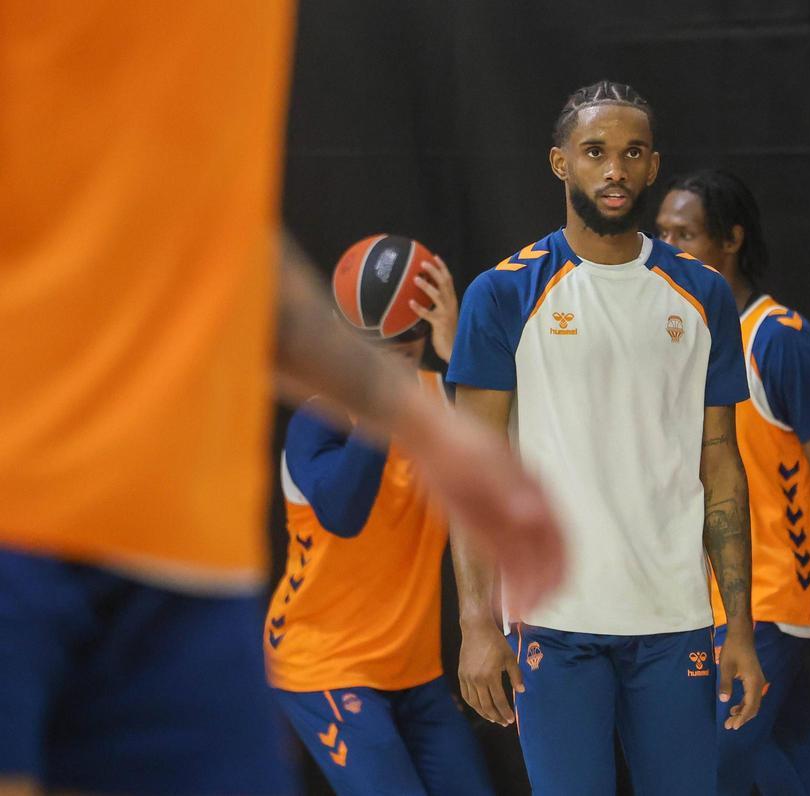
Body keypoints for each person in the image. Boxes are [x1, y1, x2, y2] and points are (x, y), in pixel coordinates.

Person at [0, 5, 560, 795]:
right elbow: (342, 507)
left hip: (184, 556)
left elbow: (205, 230)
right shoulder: (315, 433)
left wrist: (429, 424)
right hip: (28, 527)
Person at [446, 80, 766, 795]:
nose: (614, 169)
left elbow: (722, 466)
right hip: (552, 625)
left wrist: (736, 626)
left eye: (631, 153)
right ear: (561, 163)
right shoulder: (503, 294)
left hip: (675, 619)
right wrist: (475, 622)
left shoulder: (703, 295)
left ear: (654, 166)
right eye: (595, 152)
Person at [656, 168, 810, 794]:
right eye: (660, 234)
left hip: (765, 600)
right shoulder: (678, 342)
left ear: (730, 240)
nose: (665, 248)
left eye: (683, 234)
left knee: (707, 772)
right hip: (704, 601)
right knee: (792, 767)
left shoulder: (777, 341)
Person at [267, 256, 493, 795]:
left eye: (408, 330)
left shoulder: (441, 402)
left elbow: (511, 461)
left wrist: (460, 352)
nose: (400, 341)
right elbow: (344, 513)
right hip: (324, 664)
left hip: (413, 671)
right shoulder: (319, 415)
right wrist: (378, 402)